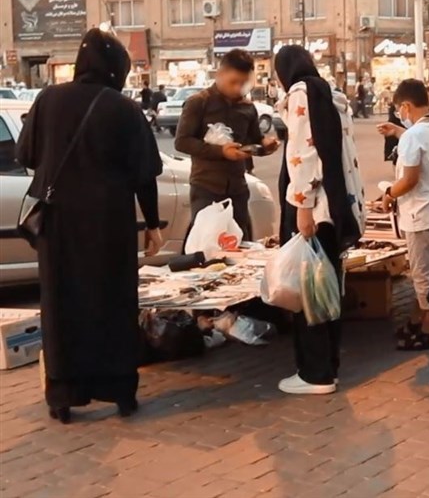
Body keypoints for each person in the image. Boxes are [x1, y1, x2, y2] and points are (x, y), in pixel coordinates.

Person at [16, 28, 164, 424]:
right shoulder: (123, 108)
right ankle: (118, 390)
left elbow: (26, 153)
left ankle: (63, 394)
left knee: (61, 304)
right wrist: (151, 223)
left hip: (58, 225)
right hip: (108, 226)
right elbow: (144, 174)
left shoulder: (47, 100)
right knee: (112, 302)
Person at [274, 44, 365, 395]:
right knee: (326, 288)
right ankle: (329, 366)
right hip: (336, 209)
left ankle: (315, 374)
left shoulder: (301, 94)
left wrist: (302, 206)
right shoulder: (331, 95)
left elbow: (303, 153)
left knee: (308, 291)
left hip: (316, 209)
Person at [175, 49, 279, 242]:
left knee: (240, 245)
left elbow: (254, 139)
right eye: (233, 82)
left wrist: (266, 145)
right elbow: (182, 141)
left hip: (238, 188)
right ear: (219, 74)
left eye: (243, 83)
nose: (238, 88)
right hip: (206, 187)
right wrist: (221, 151)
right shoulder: (198, 103)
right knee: (208, 246)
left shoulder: (247, 107)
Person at [378, 79, 429, 351]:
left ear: (406, 106)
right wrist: (399, 132)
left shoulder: (413, 136)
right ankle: (423, 320)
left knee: (423, 273)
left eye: (400, 110)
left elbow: (409, 179)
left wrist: (389, 194)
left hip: (420, 213)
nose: (401, 114)